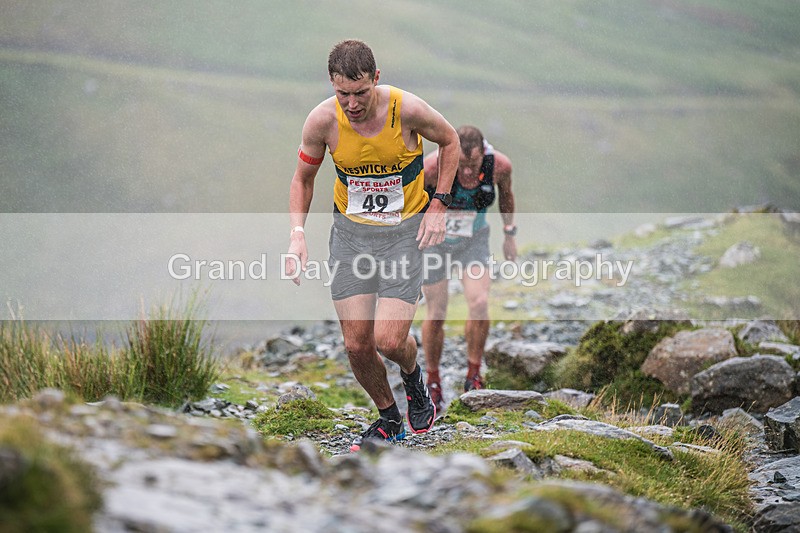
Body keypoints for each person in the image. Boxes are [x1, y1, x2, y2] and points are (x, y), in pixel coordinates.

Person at [284, 40, 460, 452]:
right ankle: (389, 418)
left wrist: (439, 204)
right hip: (351, 237)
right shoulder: (321, 121)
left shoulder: (407, 110)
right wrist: (297, 235)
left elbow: (449, 142)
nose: (352, 104)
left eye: (360, 93)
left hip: (403, 235)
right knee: (356, 344)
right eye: (343, 93)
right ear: (332, 84)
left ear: (376, 80)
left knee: (389, 340)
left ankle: (413, 378)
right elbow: (302, 180)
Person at [421, 125, 516, 411]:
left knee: (479, 302)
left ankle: (474, 375)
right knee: (436, 312)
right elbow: (410, 206)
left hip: (473, 241)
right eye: (460, 165)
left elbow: (507, 197)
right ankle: (433, 381)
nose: (466, 173)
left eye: (472, 165)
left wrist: (510, 233)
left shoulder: (499, 165)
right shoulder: (432, 168)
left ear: (482, 155)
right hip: (435, 243)